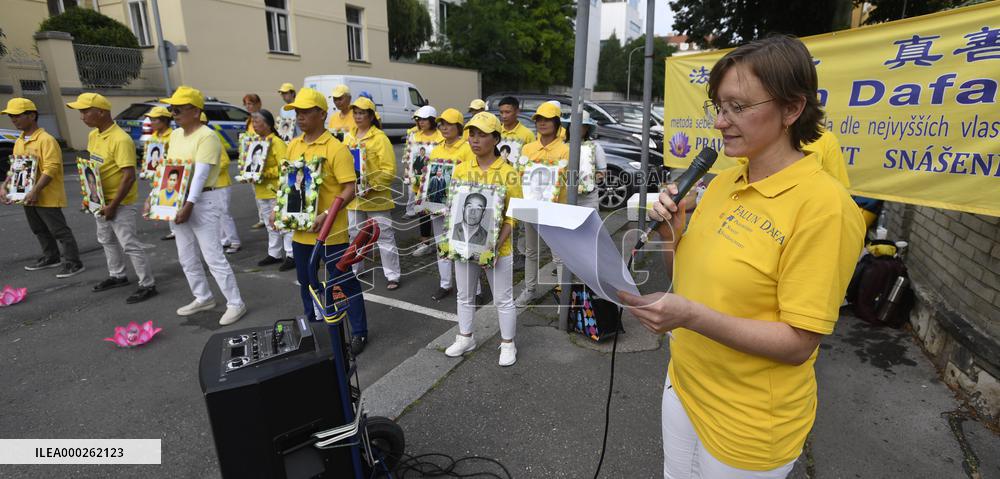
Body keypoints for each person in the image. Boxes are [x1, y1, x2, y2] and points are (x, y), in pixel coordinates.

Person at [616, 35, 865, 478]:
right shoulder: (726, 181)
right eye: (718, 106)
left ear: (792, 110)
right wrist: (673, 233)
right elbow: (686, 280)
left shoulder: (825, 207)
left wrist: (690, 316)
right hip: (684, 386)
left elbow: (797, 344)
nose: (720, 122)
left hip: (749, 422)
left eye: (737, 107)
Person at [276, 87, 368, 354]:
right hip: (300, 234)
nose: (300, 117)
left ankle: (359, 332)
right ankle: (318, 328)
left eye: (306, 112)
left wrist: (326, 215)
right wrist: (277, 210)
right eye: (297, 112)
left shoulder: (335, 148)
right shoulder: (293, 145)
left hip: (332, 233)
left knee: (343, 282)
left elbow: (350, 188)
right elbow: (287, 185)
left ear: (321, 114)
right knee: (307, 284)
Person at [154, 85, 247, 325]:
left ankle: (235, 303)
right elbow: (170, 168)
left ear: (195, 111)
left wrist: (189, 204)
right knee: (186, 255)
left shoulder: (207, 136)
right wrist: (158, 196)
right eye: (172, 108)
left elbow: (200, 174)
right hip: (178, 199)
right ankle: (202, 296)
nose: (173, 113)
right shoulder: (175, 135)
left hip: (203, 199)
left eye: (179, 108)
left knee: (212, 255)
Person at [444, 112, 523, 367]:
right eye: (472, 134)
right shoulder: (461, 169)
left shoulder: (509, 173)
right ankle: (465, 337)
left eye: (482, 135)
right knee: (464, 294)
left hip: (500, 247)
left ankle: (508, 343)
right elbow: (454, 209)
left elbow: (516, 215)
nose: (475, 140)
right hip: (464, 245)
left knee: (502, 297)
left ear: (496, 139)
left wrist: (496, 246)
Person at [67, 93, 157, 303]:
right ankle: (117, 275)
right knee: (106, 240)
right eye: (80, 112)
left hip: (119, 202)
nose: (82, 116)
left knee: (129, 244)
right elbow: (93, 169)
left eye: (85, 111)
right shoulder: (94, 135)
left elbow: (128, 175)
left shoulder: (120, 139)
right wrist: (91, 197)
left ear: (102, 112)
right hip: (101, 201)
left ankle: (147, 284)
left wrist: (114, 205)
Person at [0, 97, 84, 278]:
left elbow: (51, 168)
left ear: (32, 115)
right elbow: (16, 166)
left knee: (59, 230)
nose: (14, 120)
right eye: (11, 116)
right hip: (26, 194)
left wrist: (35, 190)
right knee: (38, 228)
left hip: (47, 195)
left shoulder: (46, 140)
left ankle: (73, 262)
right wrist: (5, 185)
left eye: (17, 116)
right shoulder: (20, 141)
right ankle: (51, 256)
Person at [344, 96, 401, 291]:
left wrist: (372, 185)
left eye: (362, 113)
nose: (358, 117)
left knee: (384, 236)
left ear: (371, 116)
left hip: (376, 197)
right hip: (354, 198)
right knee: (354, 234)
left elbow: (389, 169)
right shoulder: (349, 136)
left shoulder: (380, 138)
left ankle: (392, 275)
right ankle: (354, 270)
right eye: (356, 113)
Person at [515, 101, 569, 307]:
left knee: (560, 255)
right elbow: (521, 177)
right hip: (531, 207)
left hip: (556, 209)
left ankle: (563, 297)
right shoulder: (528, 148)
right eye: (539, 119)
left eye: (547, 120)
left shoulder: (566, 150)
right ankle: (530, 290)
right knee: (531, 252)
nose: (542, 123)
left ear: (556, 123)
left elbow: (571, 181)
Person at [248, 109, 294, 270]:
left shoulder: (277, 142)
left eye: (257, 121)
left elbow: (285, 168)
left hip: (276, 189)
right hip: (261, 189)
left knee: (283, 223)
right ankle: (274, 253)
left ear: (267, 124)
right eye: (253, 122)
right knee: (270, 224)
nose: (254, 125)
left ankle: (291, 254)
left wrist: (266, 172)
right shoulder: (255, 142)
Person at [201, 112, 242, 254]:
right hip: (211, 185)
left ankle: (235, 241)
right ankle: (224, 240)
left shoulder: (213, 138)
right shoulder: (201, 140)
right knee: (217, 214)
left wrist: (208, 172)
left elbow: (224, 161)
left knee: (224, 213)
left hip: (221, 183)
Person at [407, 105, 444, 249]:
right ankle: (425, 243)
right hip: (419, 181)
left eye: (424, 120)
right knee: (423, 213)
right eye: (418, 119)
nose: (421, 122)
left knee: (438, 212)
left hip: (436, 179)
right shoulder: (414, 136)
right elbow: (410, 157)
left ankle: (442, 242)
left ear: (432, 120)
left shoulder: (441, 137)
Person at [145, 106, 177, 240]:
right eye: (150, 119)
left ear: (164, 120)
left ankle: (178, 229)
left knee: (172, 200)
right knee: (166, 201)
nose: (151, 122)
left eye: (154, 120)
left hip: (169, 174)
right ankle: (174, 230)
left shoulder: (173, 135)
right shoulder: (153, 136)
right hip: (156, 174)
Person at [570, 111, 607, 210]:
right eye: (573, 125)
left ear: (586, 128)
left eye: (581, 125)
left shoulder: (595, 147)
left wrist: (588, 181)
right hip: (565, 198)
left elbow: (602, 172)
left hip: (588, 199)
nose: (576, 128)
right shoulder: (562, 146)